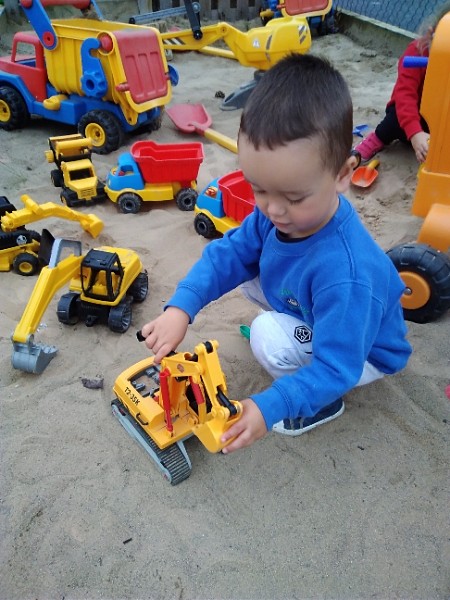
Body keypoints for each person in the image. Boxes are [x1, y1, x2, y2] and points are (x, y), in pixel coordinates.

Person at [140, 53, 412, 454]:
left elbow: (337, 366)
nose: (272, 209)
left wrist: (271, 406)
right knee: (248, 266)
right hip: (320, 308)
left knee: (267, 335)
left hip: (363, 351)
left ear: (342, 175)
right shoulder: (278, 214)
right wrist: (181, 307)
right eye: (259, 189)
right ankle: (300, 337)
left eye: (294, 197)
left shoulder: (346, 273)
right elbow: (228, 254)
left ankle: (322, 405)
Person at [354, 2, 450, 164]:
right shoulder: (417, 52)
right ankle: (376, 139)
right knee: (394, 120)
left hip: (437, 118)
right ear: (432, 34)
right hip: (408, 116)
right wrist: (415, 132)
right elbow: (405, 96)